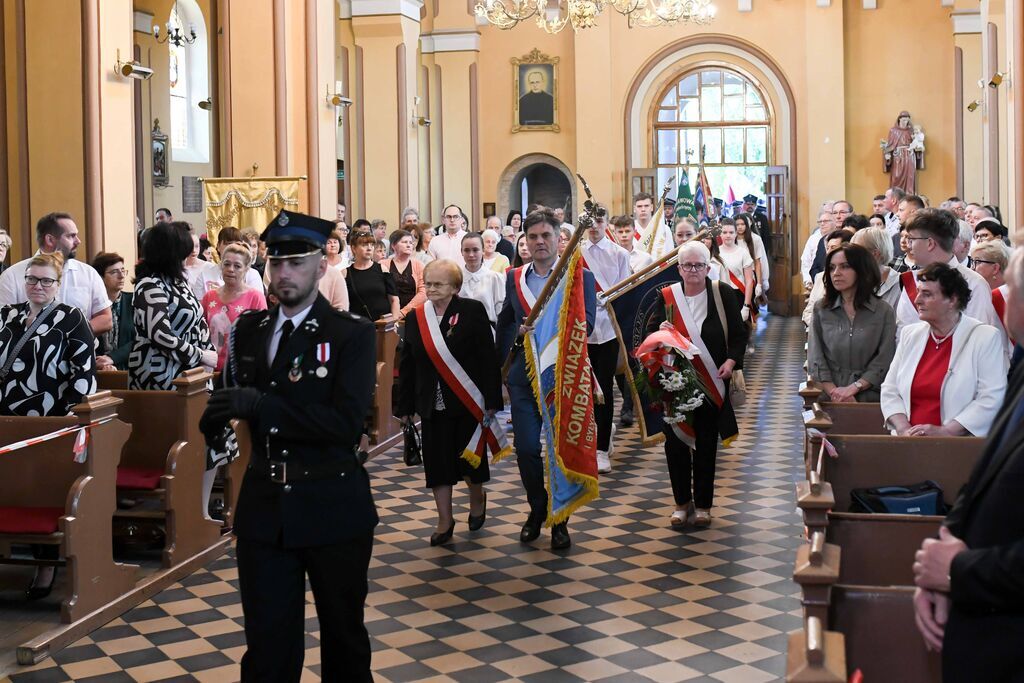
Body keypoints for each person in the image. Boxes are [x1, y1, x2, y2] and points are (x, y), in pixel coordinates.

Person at [198, 209, 378, 682]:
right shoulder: (250, 331)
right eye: (276, 263)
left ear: (321, 265)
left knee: (344, 640)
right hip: (265, 507)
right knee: (268, 647)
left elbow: (343, 424)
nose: (284, 273)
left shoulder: (351, 335)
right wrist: (214, 419)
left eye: (296, 262)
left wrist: (261, 407)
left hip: (332, 503)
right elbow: (232, 398)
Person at [911, 248, 1024, 681]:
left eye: (1010, 288)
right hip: (980, 632)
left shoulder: (988, 340)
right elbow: (990, 469)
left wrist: (957, 570)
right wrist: (950, 535)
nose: (1001, 297)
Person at [497, 208, 596, 550]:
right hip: (524, 378)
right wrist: (512, 347)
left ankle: (561, 519)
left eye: (546, 236)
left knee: (559, 450)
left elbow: (589, 325)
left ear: (558, 239)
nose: (540, 242)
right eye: (533, 237)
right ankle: (537, 509)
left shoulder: (578, 276)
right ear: (525, 240)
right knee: (526, 448)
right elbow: (506, 321)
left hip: (561, 376)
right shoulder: (514, 278)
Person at [0, 252, 97, 599]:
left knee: (39, 490)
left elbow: (83, 373)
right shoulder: (8, 315)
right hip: (6, 421)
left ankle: (45, 567)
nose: (37, 286)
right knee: (10, 489)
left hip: (49, 420)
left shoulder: (70, 318)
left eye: (45, 281)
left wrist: (72, 416)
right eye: (31, 279)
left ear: (57, 285)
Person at [398, 259, 502, 545]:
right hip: (431, 405)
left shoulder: (472, 311)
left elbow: (487, 358)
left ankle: (477, 498)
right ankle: (444, 520)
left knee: (470, 463)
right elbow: (407, 365)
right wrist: (404, 408)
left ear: (455, 287)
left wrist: (493, 398)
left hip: (467, 403)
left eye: (438, 284)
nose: (431, 289)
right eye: (428, 283)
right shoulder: (416, 318)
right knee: (437, 466)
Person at [646, 241, 747, 527]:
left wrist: (731, 362)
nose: (693, 270)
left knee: (705, 445)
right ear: (678, 268)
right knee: (675, 446)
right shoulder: (667, 296)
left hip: (711, 381)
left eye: (698, 265)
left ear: (708, 268)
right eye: (687, 265)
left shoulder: (721, 293)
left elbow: (739, 335)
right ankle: (681, 503)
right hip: (674, 385)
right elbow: (650, 334)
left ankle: (703, 504)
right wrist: (661, 331)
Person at [881, 263, 1007, 437]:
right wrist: (903, 429)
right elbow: (890, 389)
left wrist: (946, 431)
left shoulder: (985, 337)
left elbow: (991, 397)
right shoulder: (910, 334)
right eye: (919, 292)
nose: (917, 300)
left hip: (958, 447)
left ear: (952, 299)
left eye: (927, 294)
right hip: (906, 444)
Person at [129, 222, 217, 389]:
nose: (188, 257)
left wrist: (208, 352)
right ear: (169, 255)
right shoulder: (150, 285)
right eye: (183, 253)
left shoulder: (178, 282)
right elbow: (160, 335)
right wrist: (200, 355)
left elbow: (199, 318)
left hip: (192, 371)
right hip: (160, 374)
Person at [807, 244, 896, 403]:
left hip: (870, 394)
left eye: (845, 267)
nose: (836, 273)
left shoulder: (883, 311)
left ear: (862, 270)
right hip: (830, 395)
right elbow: (816, 357)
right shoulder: (822, 309)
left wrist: (854, 388)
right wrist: (835, 393)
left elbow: (884, 359)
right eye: (832, 268)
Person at [580, 208, 632, 473]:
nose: (594, 226)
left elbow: (625, 290)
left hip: (609, 330)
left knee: (605, 390)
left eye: (599, 221)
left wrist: (609, 298)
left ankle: (601, 448)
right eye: (589, 222)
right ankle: (587, 442)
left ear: (606, 223)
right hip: (583, 330)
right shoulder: (576, 252)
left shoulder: (620, 254)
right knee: (584, 390)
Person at [0, 212, 112, 335]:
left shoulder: (89, 274)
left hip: (78, 352)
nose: (78, 241)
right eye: (71, 236)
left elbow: (106, 319)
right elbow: (3, 323)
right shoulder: (12, 276)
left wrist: (70, 336)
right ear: (50, 239)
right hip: (29, 352)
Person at [895, 208, 1001, 334]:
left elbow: (979, 337)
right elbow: (902, 336)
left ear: (930, 243)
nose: (909, 245)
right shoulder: (911, 281)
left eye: (911, 239)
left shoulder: (974, 284)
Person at [202, 243, 268, 371]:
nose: (230, 269)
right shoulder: (209, 297)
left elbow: (262, 338)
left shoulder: (255, 297)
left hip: (241, 371)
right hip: (210, 371)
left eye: (237, 266)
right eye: (226, 264)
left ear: (246, 269)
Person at [188, 226, 266, 301]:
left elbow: (257, 305)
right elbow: (199, 307)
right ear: (218, 246)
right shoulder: (205, 274)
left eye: (237, 244)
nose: (232, 247)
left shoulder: (252, 274)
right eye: (228, 244)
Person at [91, 252, 136, 372]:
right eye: (114, 272)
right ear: (100, 277)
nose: (121, 276)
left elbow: (141, 339)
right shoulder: (90, 306)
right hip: (96, 370)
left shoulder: (134, 302)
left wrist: (112, 358)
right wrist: (101, 363)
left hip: (129, 371)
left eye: (123, 270)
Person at [345, 228, 400, 321]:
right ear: (353, 248)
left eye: (372, 244)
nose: (369, 248)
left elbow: (394, 299)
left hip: (383, 325)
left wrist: (394, 321)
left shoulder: (382, 269)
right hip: (358, 326)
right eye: (364, 245)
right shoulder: (345, 273)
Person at [802, 230, 855, 326]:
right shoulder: (820, 277)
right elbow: (808, 311)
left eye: (833, 248)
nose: (829, 252)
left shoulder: (853, 277)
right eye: (827, 248)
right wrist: (821, 327)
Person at [459, 233, 505, 327]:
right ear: (461, 252)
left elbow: (500, 311)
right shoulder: (456, 278)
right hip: (461, 330)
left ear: (483, 251)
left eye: (475, 250)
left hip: (487, 330)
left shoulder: (494, 278)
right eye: (467, 250)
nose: (471, 255)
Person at [380, 229, 425, 322]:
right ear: (393, 245)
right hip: (388, 314)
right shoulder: (383, 264)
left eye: (411, 242)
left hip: (413, 313)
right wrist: (394, 314)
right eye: (404, 242)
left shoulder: (418, 265)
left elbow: (423, 292)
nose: (409, 245)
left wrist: (403, 312)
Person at [851, 226, 900, 311]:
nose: (850, 256)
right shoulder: (852, 280)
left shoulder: (900, 284)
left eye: (855, 251)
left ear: (874, 254)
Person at [717, 219, 754, 323]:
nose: (728, 235)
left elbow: (749, 281)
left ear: (736, 234)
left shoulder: (743, 253)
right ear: (720, 234)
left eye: (731, 232)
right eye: (724, 232)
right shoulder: (715, 253)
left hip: (738, 295)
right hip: (719, 294)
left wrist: (746, 306)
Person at [735, 212, 769, 299]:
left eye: (742, 224)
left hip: (750, 276)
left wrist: (760, 283)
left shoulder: (755, 239)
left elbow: (758, 262)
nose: (740, 227)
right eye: (737, 224)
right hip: (735, 276)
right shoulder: (730, 238)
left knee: (750, 306)